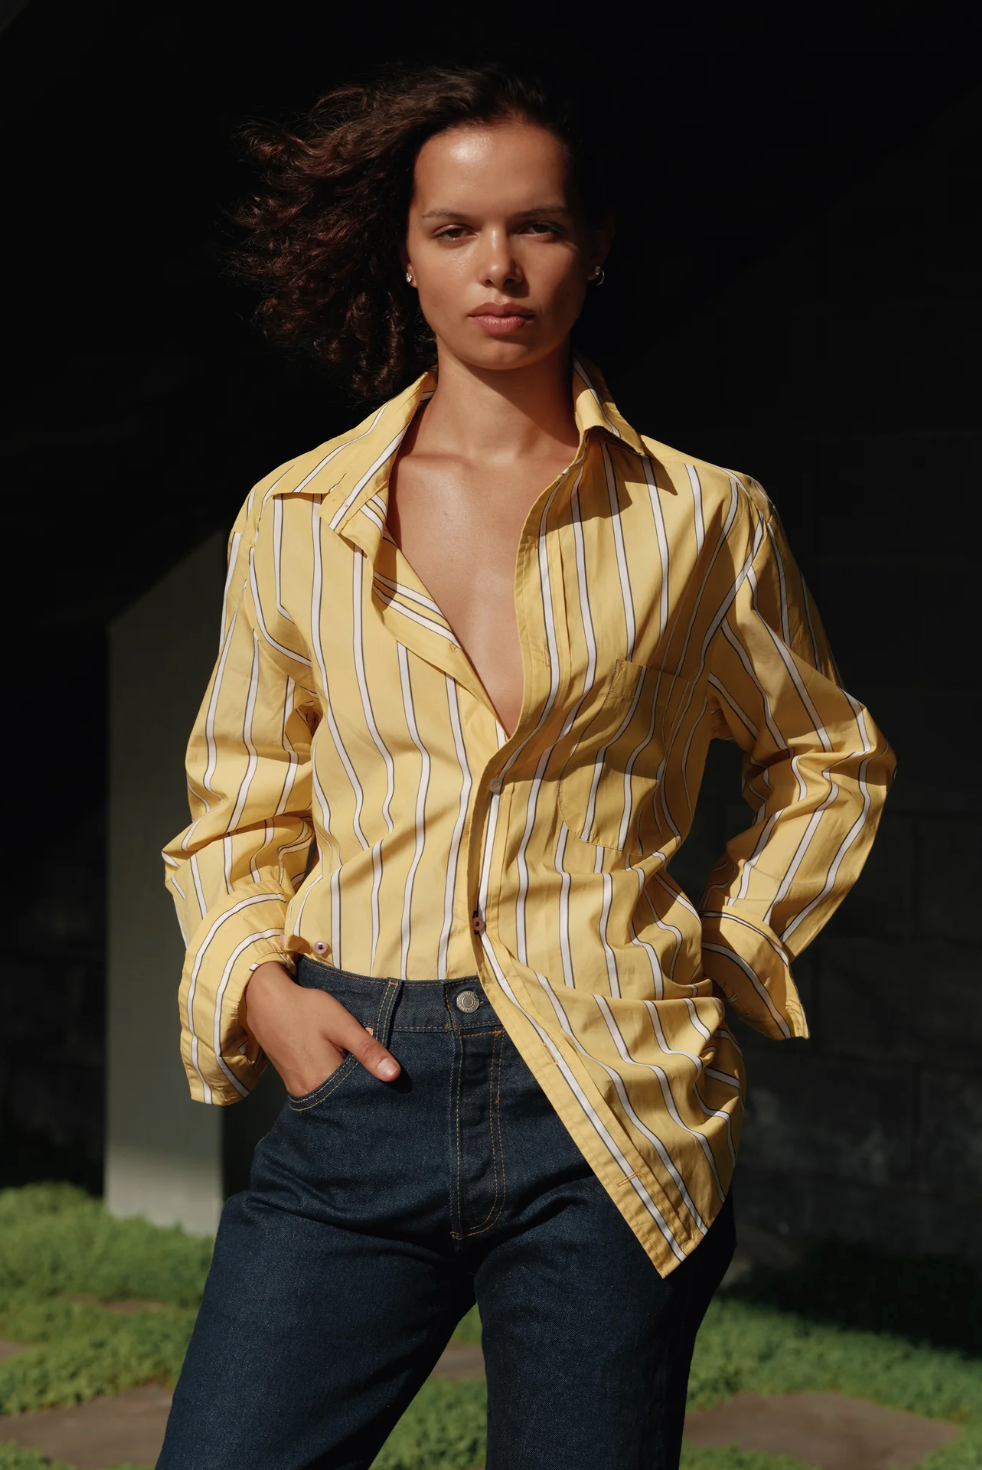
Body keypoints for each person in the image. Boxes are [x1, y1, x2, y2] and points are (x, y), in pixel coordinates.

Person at [157, 60, 896, 1470]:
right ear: (406, 254)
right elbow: (238, 801)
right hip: (356, 1082)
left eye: (539, 226)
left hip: (607, 1093)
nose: (498, 267)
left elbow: (827, 758)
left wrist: (719, 961)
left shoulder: (702, 518)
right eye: (455, 231)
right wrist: (263, 987)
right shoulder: (298, 515)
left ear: (594, 247)